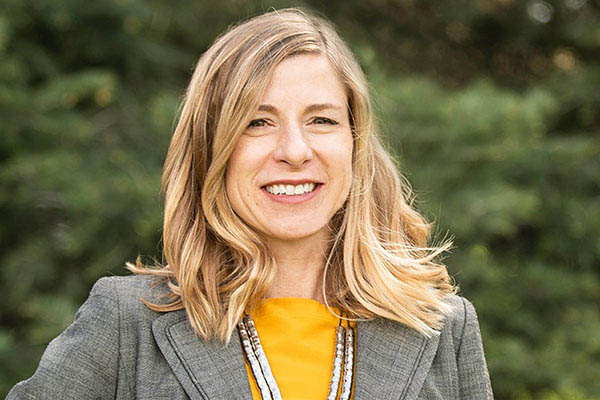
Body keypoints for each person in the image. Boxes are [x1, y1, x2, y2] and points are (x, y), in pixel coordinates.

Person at [7, 7, 493, 400]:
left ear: (355, 142)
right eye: (257, 122)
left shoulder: (442, 330)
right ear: (211, 148)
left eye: (322, 120)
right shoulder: (124, 325)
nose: (295, 151)